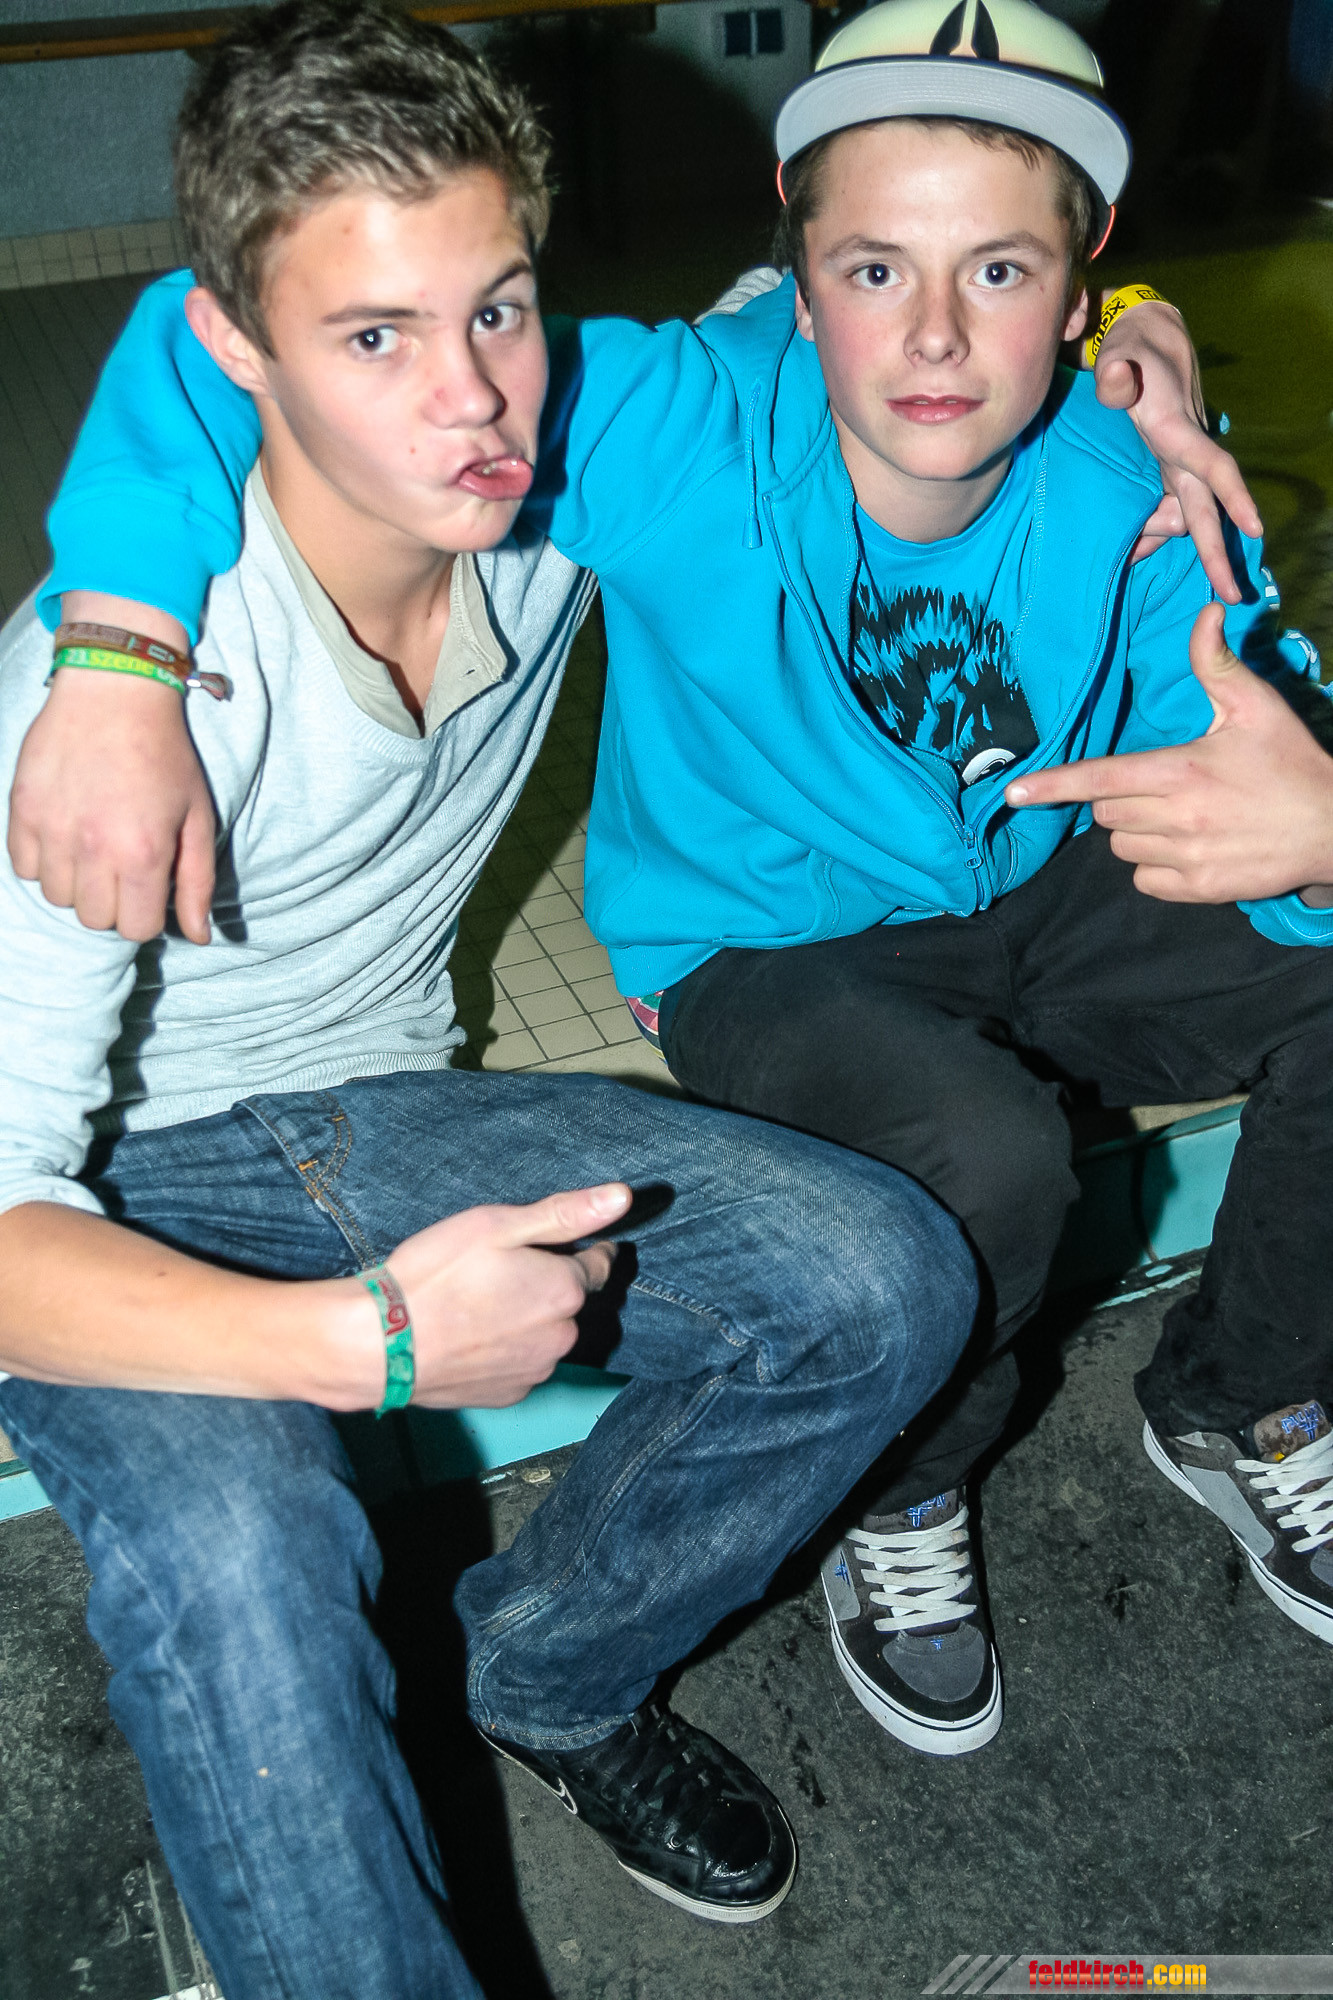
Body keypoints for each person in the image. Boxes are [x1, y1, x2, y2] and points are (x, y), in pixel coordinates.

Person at [3, 0, 1306, 1772]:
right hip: (765, 933)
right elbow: (233, 325)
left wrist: (1309, 832)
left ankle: (1241, 1395)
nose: (934, 334)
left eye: (999, 272)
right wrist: (119, 651)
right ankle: (902, 1488)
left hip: (1027, 875)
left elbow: (1224, 712)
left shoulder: (1122, 466)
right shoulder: (664, 415)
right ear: (796, 267)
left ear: (1076, 286)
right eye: (872, 268)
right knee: (982, 1168)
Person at [0, 9, 985, 1995]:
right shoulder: (103, 698)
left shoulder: (568, 481)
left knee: (883, 1279)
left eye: (500, 310)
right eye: (373, 335)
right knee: (245, 1561)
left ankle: (546, 1670)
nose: (471, 401)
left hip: (377, 1103)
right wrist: (362, 1344)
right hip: (88, 1187)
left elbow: (860, 324)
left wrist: (1128, 339)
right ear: (234, 351)